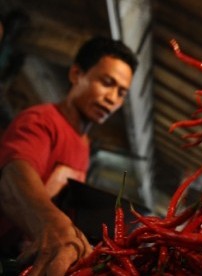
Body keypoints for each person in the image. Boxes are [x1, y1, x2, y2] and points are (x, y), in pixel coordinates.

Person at [0, 36, 138, 275]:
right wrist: (53, 225)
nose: (112, 98)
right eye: (106, 83)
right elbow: (14, 175)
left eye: (122, 93)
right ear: (76, 74)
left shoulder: (84, 144)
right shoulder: (41, 121)